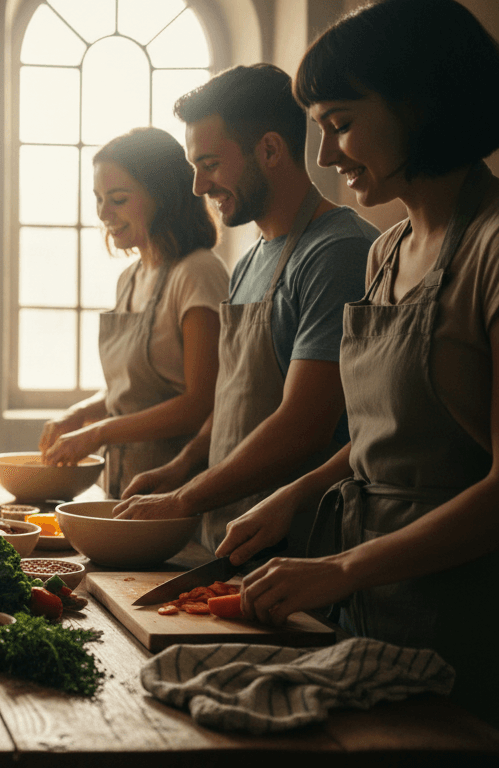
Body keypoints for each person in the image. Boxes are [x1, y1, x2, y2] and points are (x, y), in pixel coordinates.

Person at [216, 0, 499, 724]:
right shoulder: (384, 250)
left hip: (465, 616)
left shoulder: (491, 250)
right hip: (369, 603)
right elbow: (378, 437)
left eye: (340, 124)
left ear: (423, 104)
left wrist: (339, 568)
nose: (327, 156)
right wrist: (296, 496)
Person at [112, 65, 380, 558]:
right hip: (233, 542)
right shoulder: (249, 260)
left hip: (301, 551)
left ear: (271, 150)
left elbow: (303, 425)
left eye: (209, 164)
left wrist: (184, 498)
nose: (197, 186)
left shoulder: (337, 252)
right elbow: (234, 397)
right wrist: (185, 464)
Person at [40, 127, 226, 498]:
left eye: (119, 199)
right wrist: (79, 414)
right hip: (124, 484)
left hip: (181, 488)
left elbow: (201, 403)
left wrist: (98, 432)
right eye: (98, 199)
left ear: (163, 195)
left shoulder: (197, 273)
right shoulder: (129, 278)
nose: (103, 213)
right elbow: (134, 391)